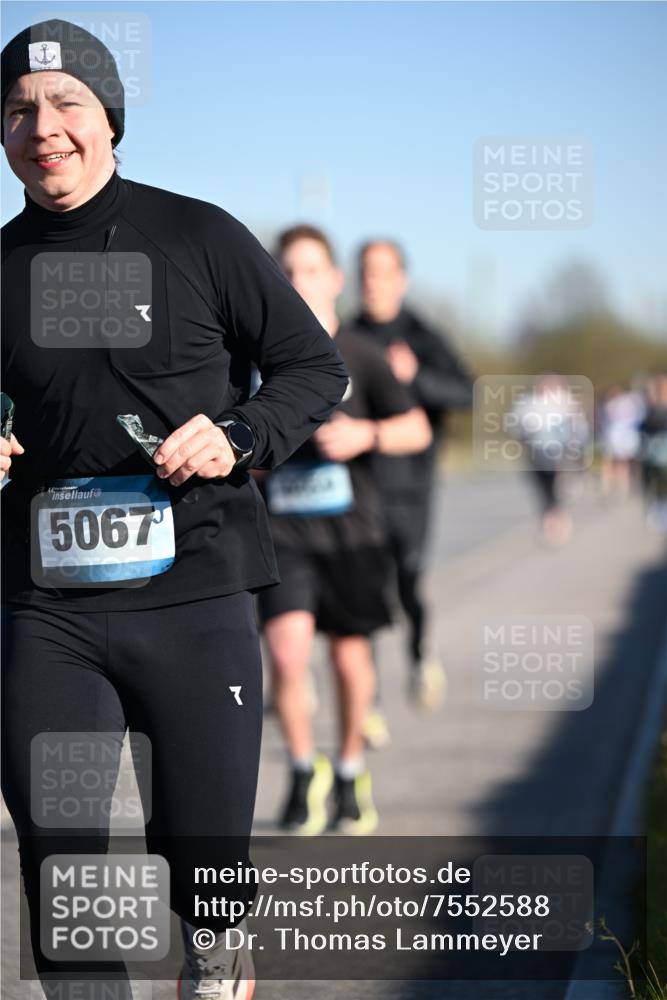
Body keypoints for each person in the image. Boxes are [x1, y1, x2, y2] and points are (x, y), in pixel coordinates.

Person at [0, 20, 347, 1000]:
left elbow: (313, 368)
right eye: (18, 111)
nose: (43, 128)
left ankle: (218, 959)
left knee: (205, 872)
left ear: (108, 119)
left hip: (195, 595)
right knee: (64, 873)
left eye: (66, 104)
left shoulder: (197, 236)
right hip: (47, 609)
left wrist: (238, 433)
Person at [258, 225, 432, 835]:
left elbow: (416, 429)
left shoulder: (360, 353)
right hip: (283, 532)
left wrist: (366, 434)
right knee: (286, 654)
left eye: (310, 270)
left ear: (334, 280)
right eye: (287, 271)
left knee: (349, 658)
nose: (298, 281)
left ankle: (351, 770)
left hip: (354, 533)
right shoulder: (256, 357)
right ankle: (304, 770)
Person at [353, 240, 473, 709]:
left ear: (401, 279)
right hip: (360, 483)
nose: (372, 281)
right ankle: (369, 702)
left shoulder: (422, 334)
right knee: (367, 590)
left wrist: (416, 374)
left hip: (411, 484)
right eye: (365, 271)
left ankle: (421, 654)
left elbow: (466, 392)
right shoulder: (348, 334)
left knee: (407, 581)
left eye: (382, 272)